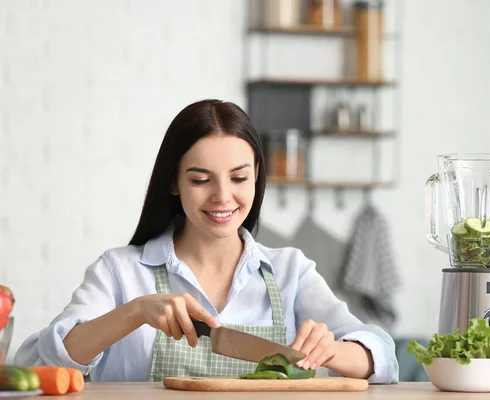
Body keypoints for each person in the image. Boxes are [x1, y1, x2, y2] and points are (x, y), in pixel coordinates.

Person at [15, 99, 400, 383]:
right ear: (173, 182)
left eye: (238, 178)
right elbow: (37, 367)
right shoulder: (119, 272)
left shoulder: (289, 271)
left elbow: (383, 357)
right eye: (201, 180)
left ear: (256, 177)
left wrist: (331, 350)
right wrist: (134, 313)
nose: (222, 197)